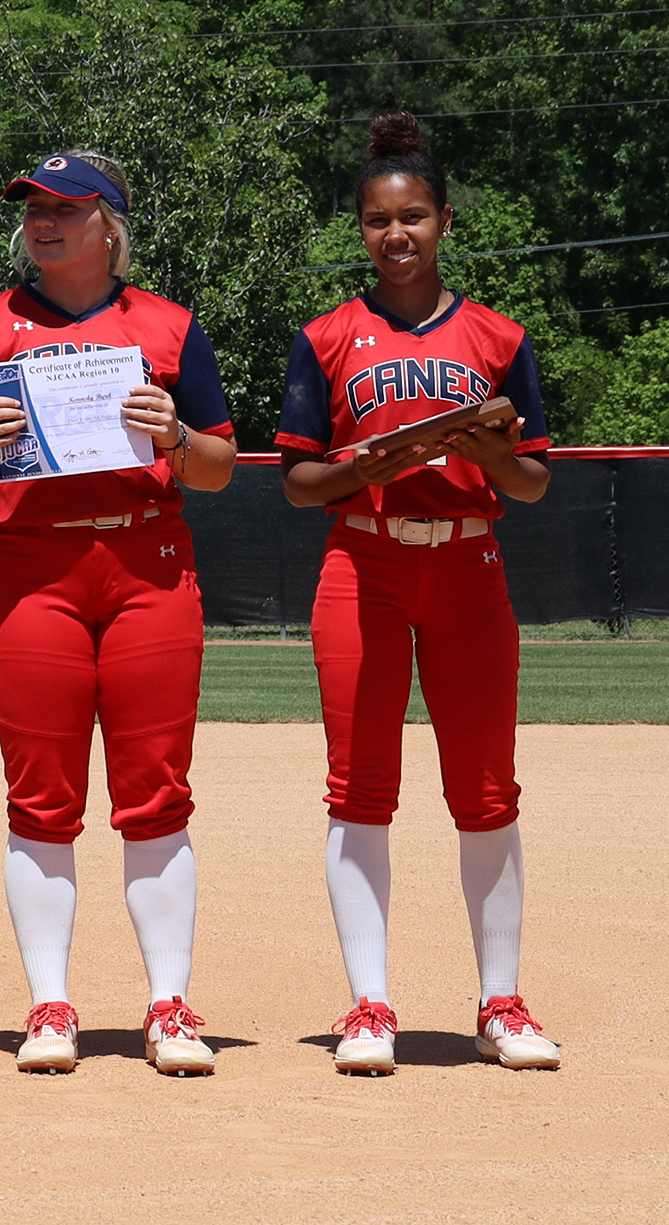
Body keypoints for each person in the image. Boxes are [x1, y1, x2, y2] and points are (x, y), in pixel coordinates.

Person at [0, 151, 238, 1077]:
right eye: (33, 208)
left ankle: (169, 1004)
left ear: (110, 222)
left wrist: (175, 436)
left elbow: (219, 464)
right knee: (41, 796)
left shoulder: (169, 327)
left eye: (65, 207)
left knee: (156, 792)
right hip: (31, 570)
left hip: (146, 559)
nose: (44, 222)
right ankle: (49, 1003)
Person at [276, 111, 561, 1076]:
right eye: (375, 219)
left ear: (444, 220)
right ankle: (368, 1006)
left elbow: (529, 481)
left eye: (413, 216)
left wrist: (485, 447)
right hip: (364, 564)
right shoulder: (327, 339)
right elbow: (300, 481)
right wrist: (381, 458)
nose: (394, 234)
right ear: (359, 228)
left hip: (470, 565)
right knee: (360, 790)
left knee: (485, 791)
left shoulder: (496, 335)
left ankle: (503, 1002)